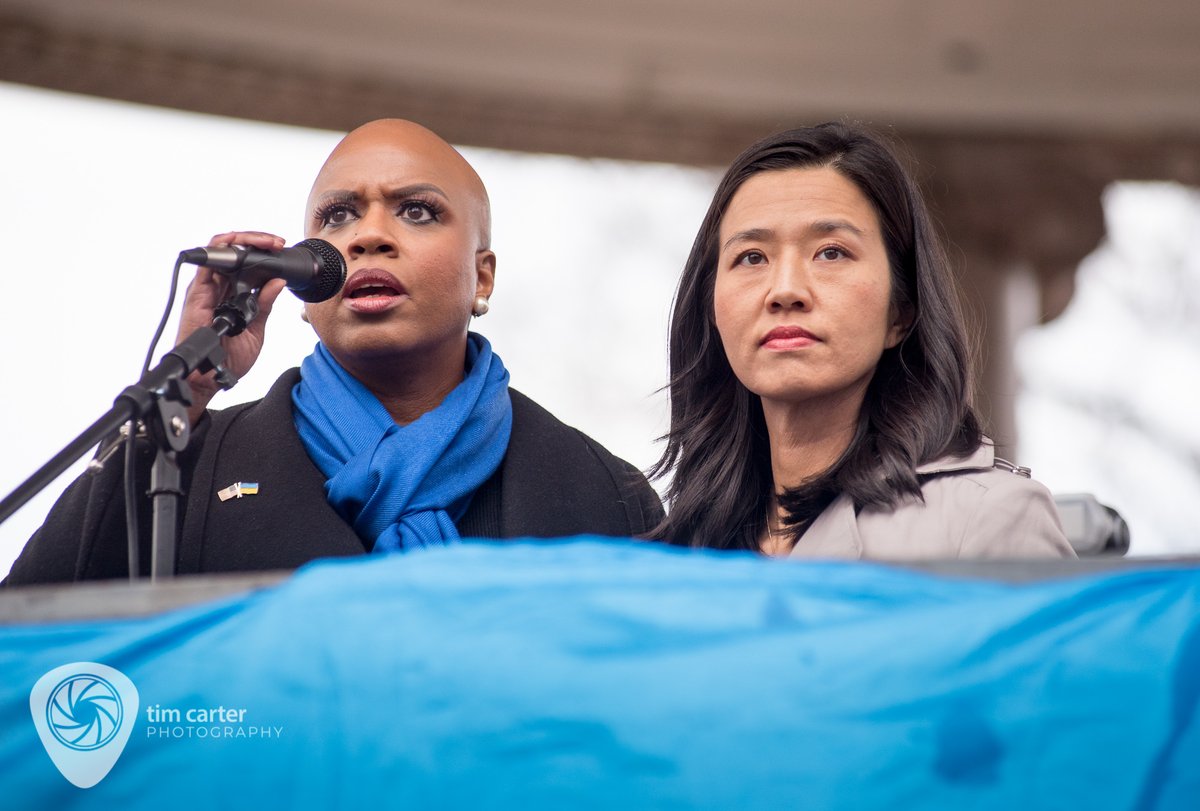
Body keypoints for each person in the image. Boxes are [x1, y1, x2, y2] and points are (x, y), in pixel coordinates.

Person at [5, 119, 662, 584]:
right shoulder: (187, 460)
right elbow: (34, 637)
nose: (368, 236)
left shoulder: (609, 495)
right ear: (302, 280)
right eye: (338, 216)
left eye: (417, 211)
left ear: (482, 277)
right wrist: (184, 394)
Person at [651, 123, 1074, 559]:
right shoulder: (680, 548)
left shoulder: (988, 519)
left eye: (831, 252)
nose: (785, 290)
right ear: (712, 309)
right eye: (752, 257)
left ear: (901, 311)